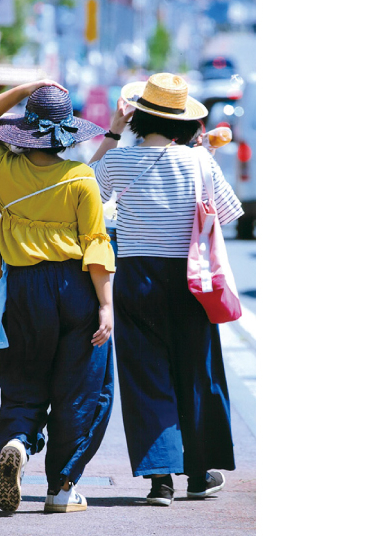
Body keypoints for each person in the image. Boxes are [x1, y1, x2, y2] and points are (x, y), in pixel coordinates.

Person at [0, 80, 115, 514]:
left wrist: (26, 88)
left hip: (22, 289)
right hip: (75, 288)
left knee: (23, 380)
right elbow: (96, 244)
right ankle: (61, 489)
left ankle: (17, 442)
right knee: (81, 389)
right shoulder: (81, 179)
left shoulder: (2, 164)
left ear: (27, 131)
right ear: (67, 133)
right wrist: (106, 305)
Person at [89, 73, 244, 507]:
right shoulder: (199, 161)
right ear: (184, 121)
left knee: (145, 375)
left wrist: (115, 131)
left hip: (136, 278)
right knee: (195, 372)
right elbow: (228, 214)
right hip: (191, 281)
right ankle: (198, 473)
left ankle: (160, 480)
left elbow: (83, 188)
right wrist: (204, 157)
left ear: (138, 116)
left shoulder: (121, 161)